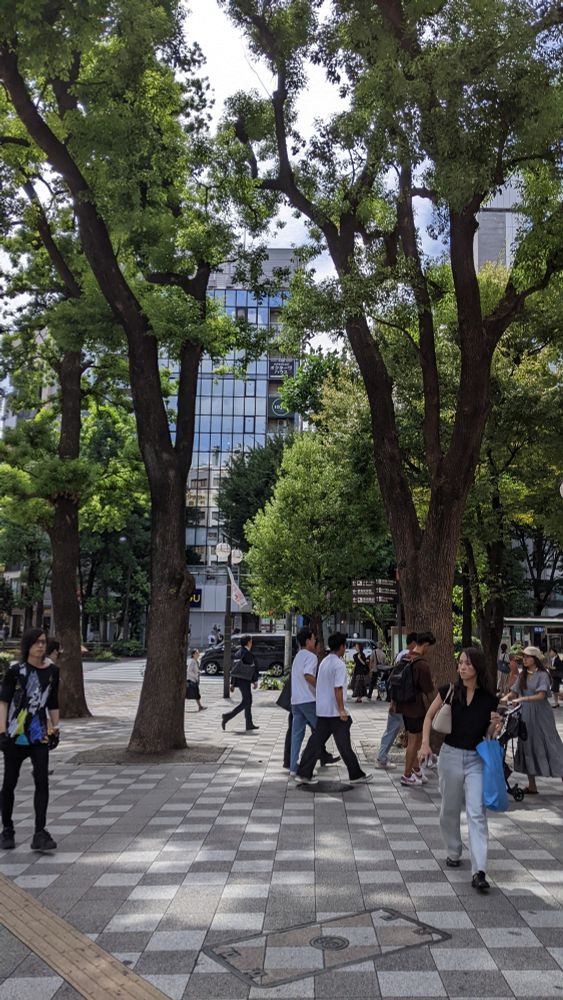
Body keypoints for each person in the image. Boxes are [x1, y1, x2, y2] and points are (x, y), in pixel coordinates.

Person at [419, 647, 501, 893]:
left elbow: (487, 734)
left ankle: (479, 871)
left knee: (477, 813)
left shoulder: (489, 699)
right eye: (460, 663)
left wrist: (494, 728)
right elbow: (429, 716)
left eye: (467, 663)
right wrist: (425, 743)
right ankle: (454, 850)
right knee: (449, 809)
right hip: (450, 756)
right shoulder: (449, 691)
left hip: (476, 758)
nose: (462, 667)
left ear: (477, 667)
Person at [0, 628, 60, 852]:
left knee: (42, 782)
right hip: (15, 734)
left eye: (43, 642)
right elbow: (4, 701)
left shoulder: (52, 671)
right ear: (28, 645)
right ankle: (7, 829)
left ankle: (40, 832)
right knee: (9, 783)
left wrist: (56, 729)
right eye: (36, 643)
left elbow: (53, 702)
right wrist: (2, 731)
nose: (41, 646)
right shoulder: (15, 671)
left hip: (39, 734)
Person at [296, 632, 373, 785]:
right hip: (335, 712)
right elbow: (338, 688)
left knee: (316, 742)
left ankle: (304, 773)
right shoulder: (339, 664)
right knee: (343, 744)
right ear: (342, 647)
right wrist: (342, 709)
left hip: (323, 710)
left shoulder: (324, 661)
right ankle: (356, 775)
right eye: (345, 646)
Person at [501, 645, 563, 794]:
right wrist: (504, 698)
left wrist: (524, 698)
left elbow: (541, 695)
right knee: (527, 745)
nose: (525, 659)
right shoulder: (522, 675)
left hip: (541, 715)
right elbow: (514, 692)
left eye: (528, 656)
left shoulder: (543, 674)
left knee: (551, 745)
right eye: (524, 656)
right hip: (525, 715)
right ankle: (532, 785)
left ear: (535, 659)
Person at [288, 628, 340, 775]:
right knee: (323, 730)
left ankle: (293, 767)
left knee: (296, 735)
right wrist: (321, 687)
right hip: (308, 700)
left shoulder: (298, 656)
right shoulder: (311, 657)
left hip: (296, 701)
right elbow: (308, 675)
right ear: (307, 641)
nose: (315, 641)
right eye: (313, 638)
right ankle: (307, 760)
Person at [390, 630, 435, 787]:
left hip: (404, 705)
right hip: (416, 707)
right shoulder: (421, 664)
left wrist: (393, 703)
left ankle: (416, 769)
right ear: (426, 645)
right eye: (429, 647)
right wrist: (436, 707)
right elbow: (429, 690)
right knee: (414, 741)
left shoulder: (405, 658)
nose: (429, 651)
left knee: (413, 739)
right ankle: (406, 775)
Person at [375, 632, 417, 769]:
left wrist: (392, 701)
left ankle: (381, 757)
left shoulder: (401, 656)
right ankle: (420, 761)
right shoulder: (412, 660)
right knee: (415, 731)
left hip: (396, 702)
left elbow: (393, 680)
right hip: (406, 704)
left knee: (391, 730)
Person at [222, 635, 259, 732]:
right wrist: (255, 681)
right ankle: (227, 716)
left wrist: (232, 683)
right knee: (246, 701)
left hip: (239, 680)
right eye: (251, 641)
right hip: (245, 680)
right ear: (248, 642)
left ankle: (249, 723)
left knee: (248, 701)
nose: (252, 643)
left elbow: (234, 669)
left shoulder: (238, 652)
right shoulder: (247, 653)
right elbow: (252, 668)